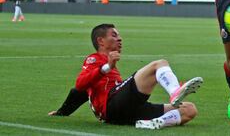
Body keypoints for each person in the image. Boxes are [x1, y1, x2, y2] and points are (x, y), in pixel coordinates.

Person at [49, 24, 203, 130]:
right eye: (114, 35)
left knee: (190, 109)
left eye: (119, 35)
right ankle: (175, 91)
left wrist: (62, 112)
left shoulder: (109, 66)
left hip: (126, 113)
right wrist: (106, 67)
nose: (120, 38)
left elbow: (80, 93)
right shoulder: (94, 59)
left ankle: (154, 123)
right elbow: (80, 84)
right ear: (101, 41)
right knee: (159, 64)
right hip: (111, 107)